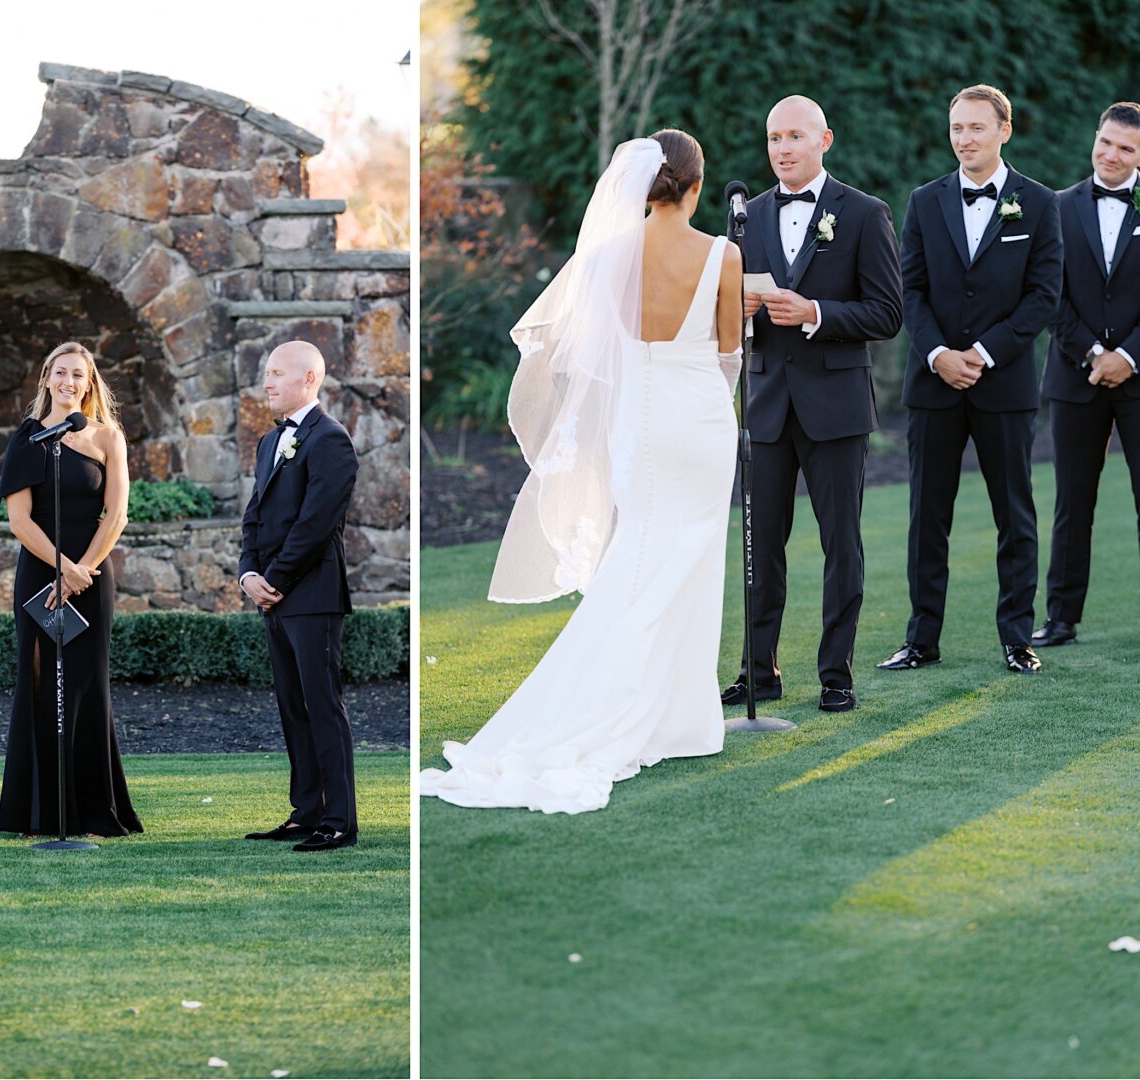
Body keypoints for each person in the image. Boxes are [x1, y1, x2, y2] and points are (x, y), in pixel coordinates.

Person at [420, 131, 743, 815]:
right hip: (702, 422)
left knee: (641, 553)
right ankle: (670, 719)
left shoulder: (602, 260)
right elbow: (727, 356)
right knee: (688, 562)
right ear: (694, 185)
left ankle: (667, 714)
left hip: (639, 423)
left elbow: (581, 351)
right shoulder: (723, 254)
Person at [721, 96, 902, 713]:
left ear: (825, 139)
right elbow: (727, 320)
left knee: (840, 544)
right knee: (758, 545)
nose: (782, 149)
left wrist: (818, 313)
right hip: (767, 402)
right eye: (774, 138)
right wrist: (735, 310)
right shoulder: (746, 221)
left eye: (795, 136)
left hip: (836, 407)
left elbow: (888, 313)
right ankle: (758, 671)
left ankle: (836, 674)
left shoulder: (864, 213)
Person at [878, 84, 1063, 676]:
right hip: (934, 382)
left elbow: (1044, 296)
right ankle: (921, 638)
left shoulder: (1037, 204)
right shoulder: (924, 201)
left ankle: (1016, 637)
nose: (965, 139)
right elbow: (911, 288)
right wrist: (937, 353)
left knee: (1015, 514)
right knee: (927, 516)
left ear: (1004, 130)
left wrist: (983, 352)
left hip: (1004, 383)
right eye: (957, 128)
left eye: (977, 128)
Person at [0, 342, 143, 839]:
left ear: (90, 382)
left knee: (86, 685)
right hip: (40, 574)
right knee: (37, 684)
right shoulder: (27, 440)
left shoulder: (108, 438)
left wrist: (82, 569)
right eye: (60, 373)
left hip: (92, 576)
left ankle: (96, 812)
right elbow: (19, 520)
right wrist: (61, 567)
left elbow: (116, 513)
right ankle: (37, 814)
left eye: (78, 374)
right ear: (46, 380)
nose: (69, 382)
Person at [239, 340, 361, 852]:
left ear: (308, 379)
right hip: (273, 595)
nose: (266, 383)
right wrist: (248, 574)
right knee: (293, 706)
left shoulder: (330, 440)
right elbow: (255, 515)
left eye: (275, 373)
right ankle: (305, 811)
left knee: (321, 705)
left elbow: (315, 525)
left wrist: (277, 580)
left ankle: (339, 819)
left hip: (311, 595)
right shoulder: (270, 443)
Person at [1033, 102, 1140, 648]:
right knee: (1073, 501)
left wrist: (1129, 356)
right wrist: (1096, 352)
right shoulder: (1056, 207)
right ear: (1094, 139)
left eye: (1126, 147)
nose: (1112, 155)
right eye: (1106, 142)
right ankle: (1061, 618)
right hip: (1076, 376)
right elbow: (1047, 293)